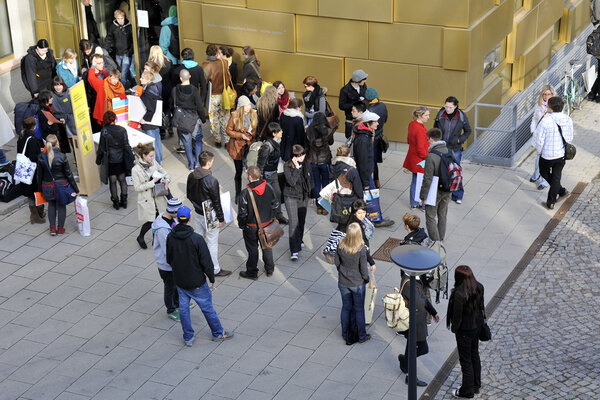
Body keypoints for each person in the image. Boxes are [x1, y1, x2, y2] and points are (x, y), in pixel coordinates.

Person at [166, 206, 234, 346]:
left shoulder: (171, 237)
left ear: (178, 219)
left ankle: (188, 337)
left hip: (180, 281)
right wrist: (212, 278)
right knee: (207, 308)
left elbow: (169, 259)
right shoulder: (196, 239)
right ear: (189, 219)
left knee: (184, 310)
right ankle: (217, 333)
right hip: (197, 282)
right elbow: (206, 262)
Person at [187, 150, 232, 278]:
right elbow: (216, 202)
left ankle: (196, 265)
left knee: (199, 239)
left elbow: (189, 194)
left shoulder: (191, 175)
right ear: (209, 162)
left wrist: (197, 205)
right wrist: (221, 218)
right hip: (210, 215)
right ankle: (215, 269)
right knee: (212, 242)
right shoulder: (211, 180)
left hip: (198, 212)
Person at [447, 265, 485, 398]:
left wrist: (454, 329)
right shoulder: (479, 287)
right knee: (475, 355)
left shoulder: (459, 294)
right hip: (476, 326)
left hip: (464, 331)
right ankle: (475, 385)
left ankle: (467, 391)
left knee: (466, 361)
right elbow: (481, 307)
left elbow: (457, 317)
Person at [352, 110, 394, 228]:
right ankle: (376, 220)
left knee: (368, 196)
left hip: (365, 173)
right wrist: (366, 181)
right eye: (375, 122)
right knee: (372, 197)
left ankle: (371, 218)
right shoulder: (364, 139)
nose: (377, 124)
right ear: (368, 123)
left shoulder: (364, 134)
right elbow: (363, 161)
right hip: (364, 174)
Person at [398, 273, 440, 387]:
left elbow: (423, 298)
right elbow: (420, 302)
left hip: (417, 322)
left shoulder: (415, 280)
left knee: (411, 348)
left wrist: (433, 312)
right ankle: (410, 375)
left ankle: (405, 362)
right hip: (414, 323)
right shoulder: (409, 283)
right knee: (423, 348)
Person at [237, 166, 279, 279]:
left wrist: (242, 225)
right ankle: (269, 269)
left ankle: (252, 272)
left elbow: (242, 213)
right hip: (268, 224)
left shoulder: (245, 193)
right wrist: (272, 217)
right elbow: (275, 204)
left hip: (251, 227)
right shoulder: (269, 187)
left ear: (250, 177)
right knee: (267, 247)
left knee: (252, 249)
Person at [335, 222, 372, 345]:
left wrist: (342, 271)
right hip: (357, 283)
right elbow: (363, 269)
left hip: (343, 282)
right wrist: (366, 279)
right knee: (359, 310)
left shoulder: (341, 244)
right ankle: (361, 336)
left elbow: (336, 262)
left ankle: (345, 333)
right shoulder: (361, 249)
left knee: (346, 308)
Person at [533, 96, 573, 210]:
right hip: (561, 155)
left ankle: (561, 191)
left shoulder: (546, 120)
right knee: (556, 177)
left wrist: (539, 152)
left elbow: (539, 140)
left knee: (544, 172)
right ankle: (552, 201)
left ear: (550, 107)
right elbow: (570, 137)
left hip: (547, 155)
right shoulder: (568, 119)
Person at [37, 134, 79, 236]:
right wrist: (75, 188)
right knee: (61, 206)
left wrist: (40, 189)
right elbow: (68, 174)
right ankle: (60, 229)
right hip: (61, 186)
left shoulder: (41, 157)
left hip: (47, 186)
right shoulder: (62, 157)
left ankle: (52, 229)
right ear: (57, 143)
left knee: (51, 205)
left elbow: (39, 175)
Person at [131, 143, 170, 249]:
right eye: (151, 156)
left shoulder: (153, 162)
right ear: (143, 155)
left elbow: (163, 171)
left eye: (153, 156)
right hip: (147, 199)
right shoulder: (135, 170)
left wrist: (167, 179)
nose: (153, 158)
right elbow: (137, 188)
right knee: (151, 220)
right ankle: (141, 237)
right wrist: (153, 182)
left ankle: (155, 240)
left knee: (158, 218)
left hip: (157, 196)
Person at [433, 96, 471, 204]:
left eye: (450, 107)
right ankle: (440, 192)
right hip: (442, 147)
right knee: (440, 170)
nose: (447, 109)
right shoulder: (441, 114)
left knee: (455, 171)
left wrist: (460, 140)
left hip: (455, 149)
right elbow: (435, 129)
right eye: (446, 106)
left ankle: (457, 195)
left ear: (455, 107)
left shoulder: (462, 117)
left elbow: (468, 131)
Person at [152, 197, 183, 321]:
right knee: (169, 287)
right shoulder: (163, 229)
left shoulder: (170, 219)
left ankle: (177, 302)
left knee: (176, 284)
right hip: (167, 265)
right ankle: (171, 309)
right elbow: (167, 250)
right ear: (173, 212)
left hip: (173, 263)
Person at [96, 111, 132, 209]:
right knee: (122, 180)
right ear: (114, 119)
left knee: (113, 181)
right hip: (121, 159)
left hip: (110, 160)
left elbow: (101, 148)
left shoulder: (104, 131)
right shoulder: (122, 129)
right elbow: (126, 144)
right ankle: (124, 201)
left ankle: (115, 202)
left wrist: (98, 160)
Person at [172, 69, 207, 170]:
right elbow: (200, 106)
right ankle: (198, 163)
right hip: (194, 118)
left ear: (180, 78)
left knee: (186, 142)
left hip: (182, 119)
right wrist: (203, 119)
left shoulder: (175, 89)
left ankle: (191, 164)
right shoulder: (194, 90)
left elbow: (172, 105)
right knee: (198, 140)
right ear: (190, 76)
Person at [420, 128, 451, 242]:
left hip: (436, 190)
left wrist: (423, 197)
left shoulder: (431, 156)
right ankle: (441, 238)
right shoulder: (449, 151)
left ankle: (435, 241)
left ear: (431, 139)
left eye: (428, 139)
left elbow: (427, 178)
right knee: (442, 214)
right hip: (448, 188)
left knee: (430, 216)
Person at [283, 145, 313, 261]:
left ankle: (299, 239)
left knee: (301, 220)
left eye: (302, 155)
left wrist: (313, 194)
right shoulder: (287, 165)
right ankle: (294, 250)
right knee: (293, 222)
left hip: (303, 196)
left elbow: (310, 179)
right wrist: (296, 168)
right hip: (290, 196)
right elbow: (291, 181)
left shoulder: (306, 163)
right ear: (293, 156)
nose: (301, 158)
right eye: (298, 156)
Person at [226, 95, 257, 203]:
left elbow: (255, 129)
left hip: (249, 146)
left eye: (249, 105)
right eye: (245, 106)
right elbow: (228, 131)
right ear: (241, 107)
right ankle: (238, 195)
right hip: (237, 147)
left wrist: (251, 134)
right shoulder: (234, 116)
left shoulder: (254, 114)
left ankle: (252, 194)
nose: (248, 107)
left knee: (251, 171)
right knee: (238, 172)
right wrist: (241, 136)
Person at [256, 122, 288, 224]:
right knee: (268, 197)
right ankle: (268, 218)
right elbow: (260, 165)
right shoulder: (267, 146)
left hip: (273, 173)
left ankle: (278, 215)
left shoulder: (277, 142)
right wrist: (260, 181)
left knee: (277, 194)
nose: (282, 132)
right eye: (279, 131)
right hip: (267, 175)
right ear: (274, 133)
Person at [202, 44, 232, 147]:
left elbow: (204, 82)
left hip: (213, 96)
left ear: (206, 53)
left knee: (214, 120)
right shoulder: (224, 63)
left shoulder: (205, 65)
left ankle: (218, 140)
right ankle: (227, 140)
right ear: (216, 53)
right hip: (224, 95)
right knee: (225, 118)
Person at [17, 117, 45, 224]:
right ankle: (37, 214)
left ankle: (35, 214)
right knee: (36, 191)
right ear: (33, 126)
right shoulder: (32, 139)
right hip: (32, 171)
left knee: (29, 192)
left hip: (24, 170)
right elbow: (34, 157)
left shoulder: (21, 137)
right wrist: (40, 152)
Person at [305, 112, 333, 214]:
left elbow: (306, 145)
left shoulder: (309, 130)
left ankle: (319, 206)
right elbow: (331, 142)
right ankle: (325, 207)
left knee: (316, 183)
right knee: (326, 184)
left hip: (312, 161)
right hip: (325, 160)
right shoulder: (328, 130)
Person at [403, 106, 431, 209]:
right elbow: (420, 148)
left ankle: (414, 202)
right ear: (420, 115)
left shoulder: (412, 124)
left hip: (413, 157)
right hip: (420, 159)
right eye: (427, 115)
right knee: (422, 182)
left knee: (415, 180)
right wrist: (427, 157)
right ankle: (423, 204)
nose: (428, 117)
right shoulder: (420, 129)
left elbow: (409, 141)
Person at [529, 85, 555, 190]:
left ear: (552, 94)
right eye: (544, 94)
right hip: (539, 136)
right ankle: (537, 173)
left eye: (548, 94)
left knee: (547, 160)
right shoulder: (539, 106)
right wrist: (533, 130)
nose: (546, 96)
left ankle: (545, 181)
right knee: (538, 158)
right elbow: (534, 119)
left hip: (549, 137)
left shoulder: (556, 106)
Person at [104, 9, 135, 88]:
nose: (120, 20)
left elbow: (133, 40)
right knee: (123, 71)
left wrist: (130, 51)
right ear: (115, 18)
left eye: (122, 18)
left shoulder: (129, 27)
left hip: (126, 53)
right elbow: (109, 38)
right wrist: (105, 50)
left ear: (124, 17)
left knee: (123, 75)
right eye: (118, 18)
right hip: (118, 53)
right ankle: (134, 84)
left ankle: (121, 91)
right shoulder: (113, 27)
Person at [139, 70, 164, 164]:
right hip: (155, 121)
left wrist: (144, 119)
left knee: (152, 144)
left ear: (148, 79)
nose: (140, 79)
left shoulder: (147, 93)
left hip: (149, 122)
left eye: (142, 78)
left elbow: (150, 109)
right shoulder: (154, 88)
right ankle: (159, 161)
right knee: (157, 142)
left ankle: (156, 163)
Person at [365, 88, 388, 188]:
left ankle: (372, 183)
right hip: (379, 136)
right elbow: (385, 119)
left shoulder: (369, 111)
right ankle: (377, 180)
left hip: (372, 138)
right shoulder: (383, 106)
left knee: (370, 160)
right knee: (374, 160)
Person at [339, 69, 368, 139]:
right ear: (358, 80)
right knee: (350, 139)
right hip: (351, 120)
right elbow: (341, 106)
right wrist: (355, 105)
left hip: (363, 118)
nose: (365, 81)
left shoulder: (363, 86)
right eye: (364, 79)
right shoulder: (345, 90)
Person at [50, 77, 75, 154]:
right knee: (62, 144)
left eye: (60, 85)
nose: (58, 87)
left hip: (71, 120)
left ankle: (77, 160)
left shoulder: (69, 92)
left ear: (63, 85)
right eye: (56, 85)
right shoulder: (51, 95)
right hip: (60, 122)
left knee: (74, 142)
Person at [87, 53, 109, 127]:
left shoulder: (104, 72)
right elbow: (87, 91)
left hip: (103, 103)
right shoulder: (88, 74)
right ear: (93, 64)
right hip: (93, 104)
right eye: (99, 63)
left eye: (102, 62)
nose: (102, 65)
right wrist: (88, 105)